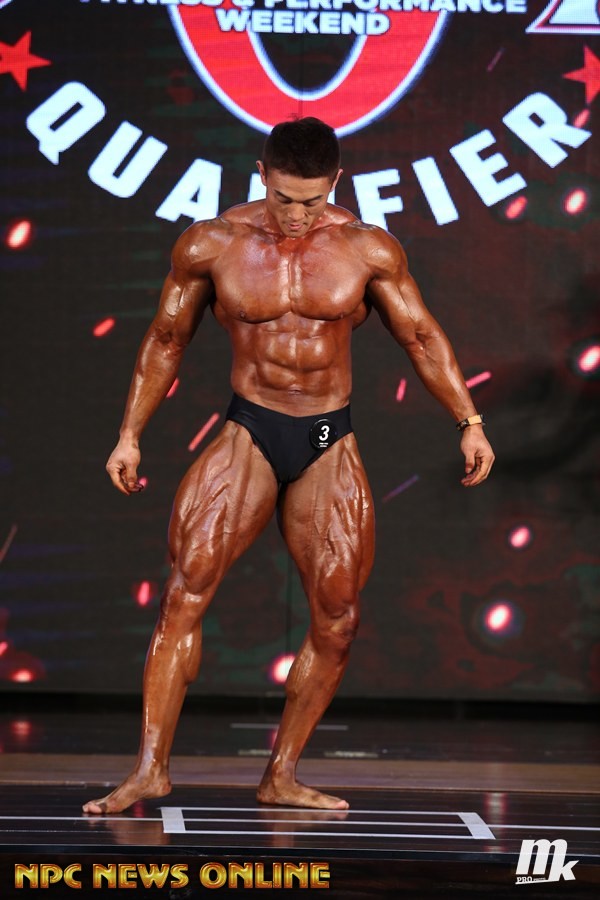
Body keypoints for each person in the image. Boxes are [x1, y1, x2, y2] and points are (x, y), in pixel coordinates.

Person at [83, 117, 494, 815]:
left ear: (335, 182)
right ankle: (150, 770)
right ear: (261, 175)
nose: (296, 215)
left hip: (328, 437)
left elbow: (422, 337)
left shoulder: (367, 249)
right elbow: (166, 338)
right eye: (282, 198)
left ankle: (282, 774)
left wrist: (469, 421)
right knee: (184, 591)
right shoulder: (212, 243)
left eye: (311, 200)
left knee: (338, 618)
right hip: (250, 427)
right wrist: (129, 435)